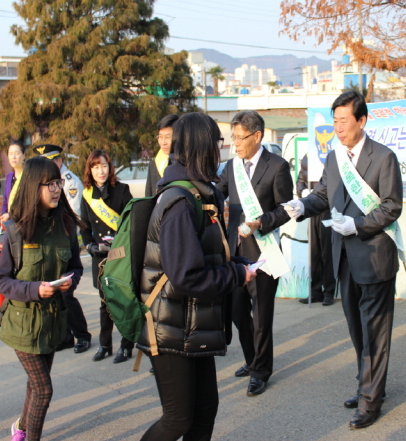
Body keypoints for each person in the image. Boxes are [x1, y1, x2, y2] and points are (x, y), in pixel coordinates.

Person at [284, 90, 403, 430]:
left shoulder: (383, 157)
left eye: (344, 120)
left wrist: (359, 225)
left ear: (362, 120)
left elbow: (391, 205)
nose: (338, 127)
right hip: (344, 257)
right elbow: (323, 194)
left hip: (374, 255)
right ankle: (367, 383)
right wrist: (301, 206)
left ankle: (370, 400)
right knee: (356, 326)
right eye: (334, 121)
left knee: (375, 330)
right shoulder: (335, 158)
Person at [139, 112, 255, 441]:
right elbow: (186, 275)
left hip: (192, 321)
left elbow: (206, 254)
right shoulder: (179, 201)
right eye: (218, 143)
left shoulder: (200, 194)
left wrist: (239, 264)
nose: (222, 150)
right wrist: (236, 275)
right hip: (169, 325)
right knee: (177, 420)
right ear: (202, 147)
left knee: (205, 411)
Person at [0, 157, 83, 441]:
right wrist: (34, 290)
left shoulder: (67, 225)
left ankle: (20, 429)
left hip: (53, 321)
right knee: (44, 389)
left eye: (58, 182)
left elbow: (77, 267)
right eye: (49, 184)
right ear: (34, 187)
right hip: (22, 325)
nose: (56, 189)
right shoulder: (15, 230)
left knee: (35, 386)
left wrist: (71, 281)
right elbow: (1, 281)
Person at [216, 110, 294, 396]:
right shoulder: (231, 167)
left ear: (257, 135)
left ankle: (261, 371)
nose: (235, 144)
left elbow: (285, 208)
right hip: (235, 253)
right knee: (237, 311)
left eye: (239, 137)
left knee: (261, 315)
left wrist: (262, 222)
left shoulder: (277, 166)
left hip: (263, 250)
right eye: (233, 138)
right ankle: (251, 359)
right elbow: (217, 192)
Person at [32, 144, 91, 354]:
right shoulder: (41, 182)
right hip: (49, 244)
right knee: (56, 295)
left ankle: (82, 336)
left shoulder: (69, 181)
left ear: (58, 161)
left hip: (64, 243)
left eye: (49, 162)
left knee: (67, 295)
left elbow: (73, 217)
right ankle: (65, 337)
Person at [80, 149, 134, 363]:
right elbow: (84, 226)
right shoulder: (87, 195)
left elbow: (131, 222)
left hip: (120, 254)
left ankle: (126, 345)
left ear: (110, 167)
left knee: (123, 301)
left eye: (103, 165)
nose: (100, 171)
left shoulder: (122, 190)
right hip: (99, 256)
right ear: (89, 170)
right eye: (95, 167)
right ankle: (105, 345)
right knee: (105, 303)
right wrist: (89, 245)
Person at [296, 154, 335, 306]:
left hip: (329, 210)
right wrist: (303, 192)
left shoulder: (333, 156)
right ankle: (315, 291)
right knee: (314, 253)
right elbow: (300, 182)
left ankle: (329, 292)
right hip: (312, 210)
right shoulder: (307, 157)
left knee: (328, 252)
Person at [145, 114, 179, 196]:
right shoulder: (154, 164)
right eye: (160, 137)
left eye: (168, 137)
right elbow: (149, 197)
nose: (163, 142)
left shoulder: (187, 165)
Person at [0, 140, 26, 223]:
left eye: (17, 153)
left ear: (24, 155)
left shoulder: (28, 175)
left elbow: (27, 202)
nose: (13, 157)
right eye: (10, 154)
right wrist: (4, 213)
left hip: (24, 221)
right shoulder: (9, 177)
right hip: (11, 223)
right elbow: (6, 200)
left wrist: (11, 215)